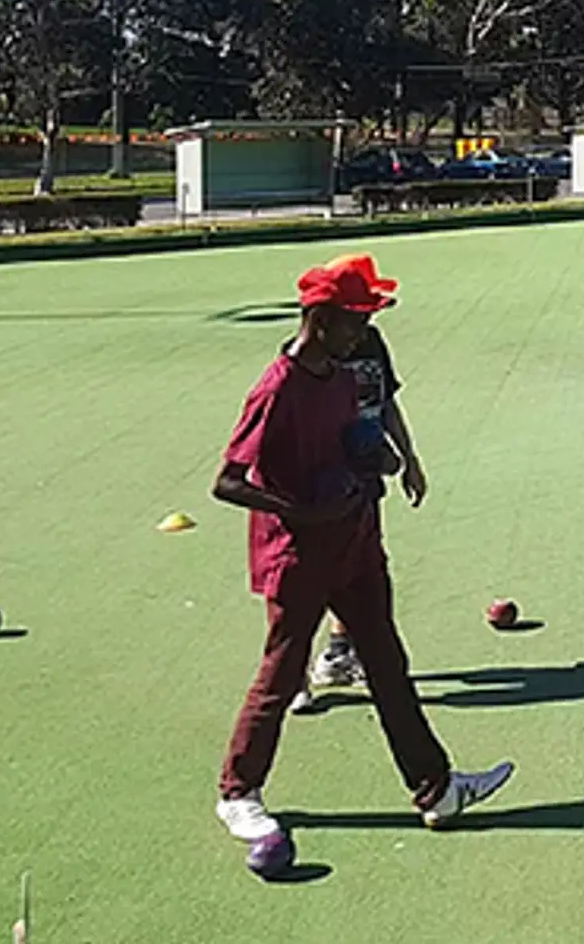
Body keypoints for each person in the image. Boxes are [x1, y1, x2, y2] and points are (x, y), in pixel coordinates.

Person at [212, 259, 513, 848]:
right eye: (354, 322)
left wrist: (381, 461)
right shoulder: (277, 389)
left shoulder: (346, 376)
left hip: (357, 542)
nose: (364, 334)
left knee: (386, 663)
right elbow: (227, 481)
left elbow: (352, 447)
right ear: (318, 320)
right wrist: (303, 512)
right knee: (280, 674)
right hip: (298, 554)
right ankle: (238, 792)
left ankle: (436, 788)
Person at [293, 252, 429, 714]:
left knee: (359, 569)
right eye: (360, 313)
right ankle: (295, 676)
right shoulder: (306, 358)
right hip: (324, 486)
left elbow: (386, 403)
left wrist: (408, 457)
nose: (366, 321)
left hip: (366, 481)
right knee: (311, 581)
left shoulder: (370, 344)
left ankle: (339, 652)